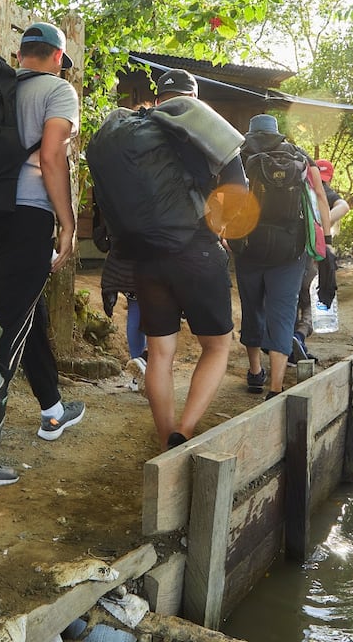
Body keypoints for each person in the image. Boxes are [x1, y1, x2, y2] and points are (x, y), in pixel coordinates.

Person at [0, 22, 85, 485]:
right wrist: (67, 222)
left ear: (20, 54)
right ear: (57, 57)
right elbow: (52, 157)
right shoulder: (58, 90)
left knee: (19, 312)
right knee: (3, 329)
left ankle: (52, 408)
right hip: (28, 218)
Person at [134, 69, 248, 449]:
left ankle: (164, 437)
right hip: (198, 249)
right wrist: (219, 224)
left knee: (159, 352)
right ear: (194, 99)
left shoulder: (137, 129)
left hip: (148, 254)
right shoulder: (208, 128)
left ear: (159, 99)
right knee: (216, 346)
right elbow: (238, 188)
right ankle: (184, 430)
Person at [234, 114, 330, 400]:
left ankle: (255, 372)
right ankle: (276, 386)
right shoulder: (299, 156)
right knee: (283, 312)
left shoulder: (238, 155)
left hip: (248, 247)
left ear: (251, 132)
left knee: (252, 307)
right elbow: (320, 198)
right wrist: (326, 241)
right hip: (290, 250)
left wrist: (226, 237)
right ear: (277, 132)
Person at [291, 159, 350, 364]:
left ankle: (289, 345)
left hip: (289, 254)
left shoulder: (297, 186)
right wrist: (320, 224)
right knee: (311, 301)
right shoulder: (324, 191)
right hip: (312, 256)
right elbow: (344, 206)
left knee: (292, 299)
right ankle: (299, 336)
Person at [93, 205, 148, 392]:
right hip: (154, 254)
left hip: (125, 259)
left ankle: (138, 374)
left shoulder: (117, 192)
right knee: (157, 313)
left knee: (135, 308)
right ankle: (150, 368)